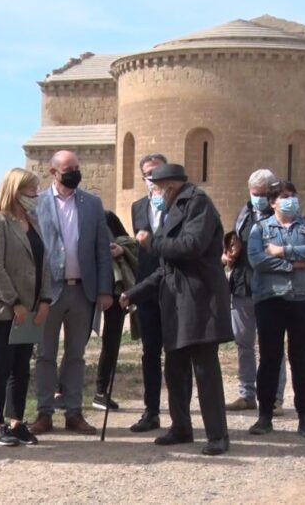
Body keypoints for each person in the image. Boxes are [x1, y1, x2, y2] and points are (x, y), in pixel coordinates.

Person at [121, 163, 233, 456]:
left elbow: (190, 246)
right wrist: (133, 293)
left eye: (157, 188)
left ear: (170, 186)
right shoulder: (175, 208)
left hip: (200, 299)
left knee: (205, 369)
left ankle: (217, 435)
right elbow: (166, 269)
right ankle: (181, 427)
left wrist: (152, 241)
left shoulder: (198, 204)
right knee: (175, 367)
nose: (154, 194)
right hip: (177, 301)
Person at [29, 150, 113, 436]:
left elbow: (103, 249)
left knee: (76, 355)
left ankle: (74, 413)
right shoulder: (36, 203)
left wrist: (105, 289)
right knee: (45, 355)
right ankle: (44, 414)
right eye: (68, 169)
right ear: (53, 172)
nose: (75, 172)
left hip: (83, 292)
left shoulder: (92, 204)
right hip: (48, 293)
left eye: (77, 167)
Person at [247, 180, 305, 439]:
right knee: (269, 358)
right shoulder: (260, 228)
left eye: (292, 195)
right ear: (272, 202)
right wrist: (292, 264)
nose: (289, 200)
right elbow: (257, 259)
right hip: (270, 299)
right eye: (283, 196)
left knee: (302, 360)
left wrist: (282, 251)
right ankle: (265, 416)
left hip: (304, 298)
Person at [0, 168, 51, 446]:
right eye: (30, 190)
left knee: (22, 366)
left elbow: (44, 263)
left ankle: (16, 421)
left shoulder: (34, 223)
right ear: (15, 190)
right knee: (2, 365)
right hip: (6, 308)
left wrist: (44, 300)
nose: (35, 195)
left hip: (32, 308)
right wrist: (15, 303)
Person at [223, 169, 288, 415]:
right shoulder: (244, 212)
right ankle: (247, 394)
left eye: (262, 193)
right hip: (241, 285)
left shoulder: (282, 215)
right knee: (243, 343)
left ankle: (274, 398)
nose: (258, 198)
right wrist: (230, 254)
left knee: (272, 346)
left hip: (270, 289)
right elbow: (233, 241)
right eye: (254, 193)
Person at [128, 153, 169, 432]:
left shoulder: (182, 203)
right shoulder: (138, 207)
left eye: (157, 172)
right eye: (147, 174)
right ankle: (151, 411)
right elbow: (140, 249)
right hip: (148, 288)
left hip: (177, 288)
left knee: (178, 353)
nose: (152, 178)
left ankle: (181, 414)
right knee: (150, 352)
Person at [92, 211, 137, 411]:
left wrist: (120, 249)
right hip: (85, 287)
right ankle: (61, 391)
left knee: (111, 340)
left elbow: (128, 241)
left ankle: (101, 392)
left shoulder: (106, 216)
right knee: (77, 341)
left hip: (114, 287)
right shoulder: (74, 219)